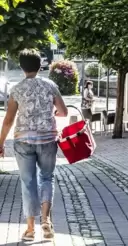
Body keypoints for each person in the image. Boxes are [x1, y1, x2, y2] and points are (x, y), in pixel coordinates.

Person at [0, 49, 68, 241]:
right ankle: (46, 221)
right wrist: (51, 116)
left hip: (23, 141)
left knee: (28, 182)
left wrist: (1, 142)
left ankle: (30, 229)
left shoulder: (16, 89)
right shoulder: (50, 85)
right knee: (47, 178)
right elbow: (62, 112)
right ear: (40, 66)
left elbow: (8, 120)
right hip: (47, 139)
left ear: (22, 67)